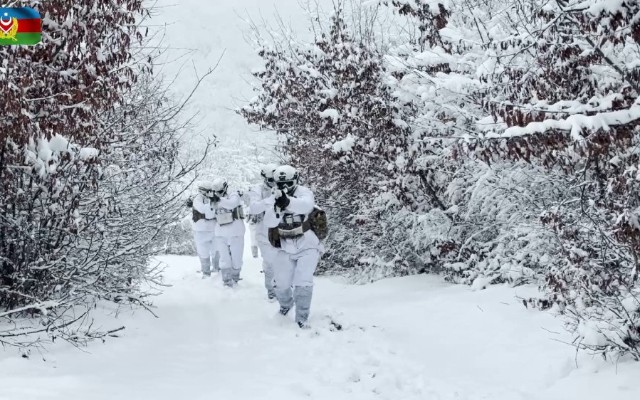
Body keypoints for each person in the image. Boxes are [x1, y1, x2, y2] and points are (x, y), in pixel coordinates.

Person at [264, 165, 323, 328]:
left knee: (303, 280)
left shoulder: (304, 192)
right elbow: (268, 222)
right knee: (281, 283)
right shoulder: (273, 196)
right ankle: (285, 306)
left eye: (288, 183)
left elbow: (306, 206)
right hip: (284, 245)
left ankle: (302, 317)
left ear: (295, 181)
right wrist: (276, 207)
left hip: (307, 244)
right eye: (280, 184)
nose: (284, 188)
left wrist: (287, 202)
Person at [247, 163, 279, 300]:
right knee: (270, 262)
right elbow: (254, 207)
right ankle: (272, 293)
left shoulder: (285, 187)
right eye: (271, 180)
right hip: (264, 232)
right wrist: (271, 199)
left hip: (285, 232)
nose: (274, 183)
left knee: (286, 263)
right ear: (265, 179)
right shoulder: (257, 190)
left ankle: (286, 291)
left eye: (276, 179)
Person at [211, 178, 246, 287]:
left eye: (220, 191)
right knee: (224, 259)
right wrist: (212, 202)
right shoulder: (214, 199)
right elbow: (210, 213)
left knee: (236, 259)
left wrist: (219, 200)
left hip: (236, 231)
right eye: (216, 192)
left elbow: (232, 204)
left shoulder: (233, 194)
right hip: (221, 233)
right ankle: (226, 281)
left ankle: (235, 278)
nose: (218, 194)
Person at [192, 181, 220, 278]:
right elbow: (206, 211)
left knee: (216, 249)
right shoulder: (197, 199)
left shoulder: (215, 198)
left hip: (214, 228)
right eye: (209, 191)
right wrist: (212, 202)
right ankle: (206, 272)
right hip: (201, 229)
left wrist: (214, 199)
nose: (211, 192)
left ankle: (217, 269)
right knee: (203, 251)